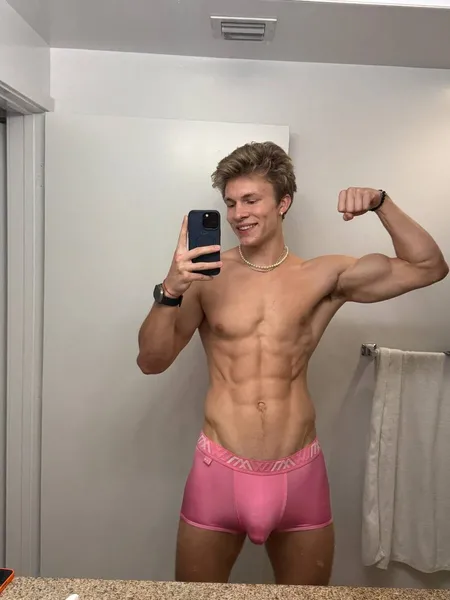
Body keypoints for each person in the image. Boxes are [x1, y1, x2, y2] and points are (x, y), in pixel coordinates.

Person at [137, 141, 448, 586]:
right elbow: (151, 361)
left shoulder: (322, 276)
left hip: (299, 475)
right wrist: (169, 290)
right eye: (230, 202)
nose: (238, 213)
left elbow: (428, 267)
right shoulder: (205, 278)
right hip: (218, 472)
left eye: (251, 200)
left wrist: (382, 203)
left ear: (283, 203)